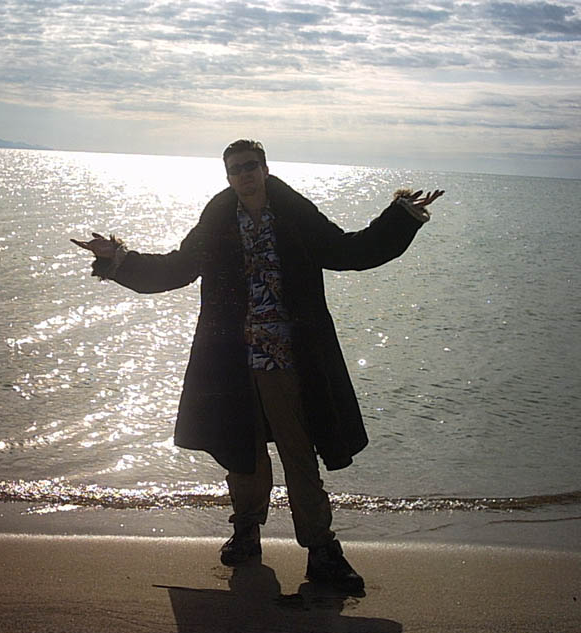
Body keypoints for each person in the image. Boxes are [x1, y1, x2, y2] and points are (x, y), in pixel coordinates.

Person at [71, 139, 443, 594]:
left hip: (289, 359)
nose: (244, 175)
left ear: (264, 169)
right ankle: (247, 533)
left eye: (250, 166)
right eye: (235, 169)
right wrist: (118, 260)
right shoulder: (217, 217)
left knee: (298, 453)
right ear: (227, 176)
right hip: (231, 359)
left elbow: (347, 251)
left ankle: (322, 550)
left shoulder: (293, 212)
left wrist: (400, 217)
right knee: (240, 453)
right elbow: (178, 268)